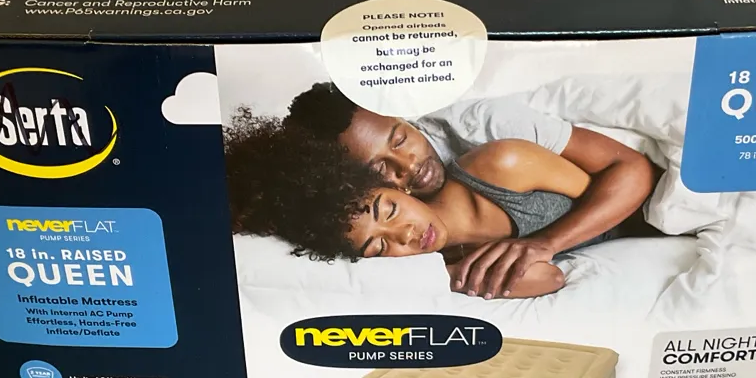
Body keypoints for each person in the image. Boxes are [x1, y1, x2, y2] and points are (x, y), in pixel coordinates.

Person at [224, 108, 650, 299]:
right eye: (378, 246)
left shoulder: (501, 163)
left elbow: (631, 184)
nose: (406, 235)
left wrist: (545, 243)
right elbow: (549, 278)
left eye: (389, 212)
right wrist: (450, 276)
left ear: (397, 191)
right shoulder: (442, 260)